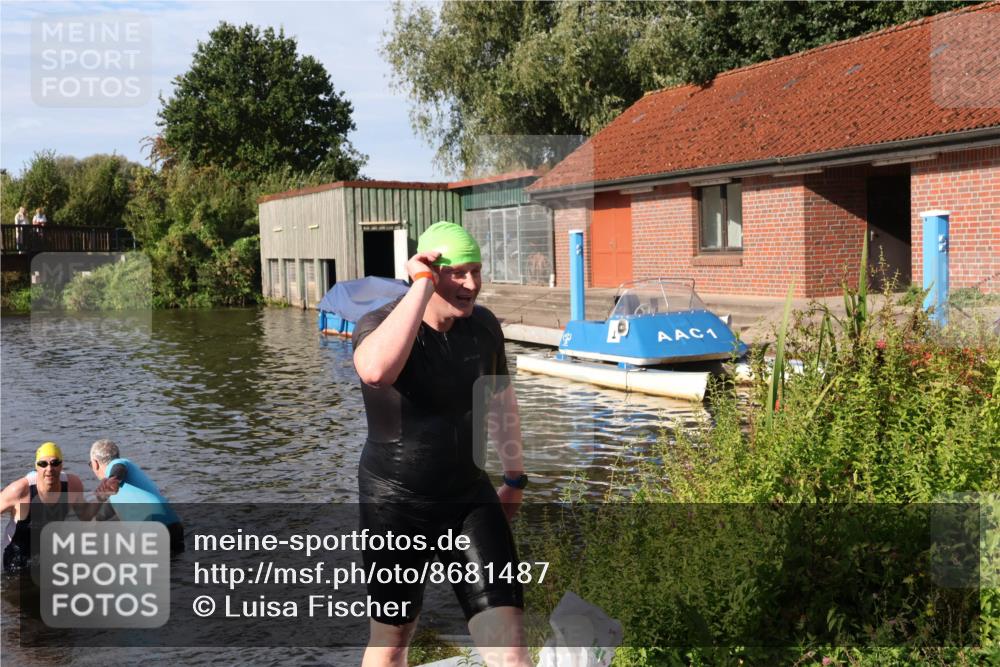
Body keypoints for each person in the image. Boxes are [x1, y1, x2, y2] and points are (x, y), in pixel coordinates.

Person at [352, 221, 531, 667]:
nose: (470, 284)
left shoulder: (485, 327)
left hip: (469, 497)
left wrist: (515, 477)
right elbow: (375, 372)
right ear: (431, 272)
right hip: (395, 503)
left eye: (477, 271)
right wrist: (420, 286)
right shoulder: (379, 325)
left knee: (510, 651)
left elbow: (502, 402)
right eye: (458, 273)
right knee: (392, 644)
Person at [1, 442, 99, 574]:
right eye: (43, 464)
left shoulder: (73, 486)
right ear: (36, 467)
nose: (49, 469)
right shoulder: (20, 491)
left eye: (54, 463)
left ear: (61, 465)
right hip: (18, 558)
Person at [88, 439, 184, 553]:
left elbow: (118, 468)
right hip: (175, 529)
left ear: (95, 463)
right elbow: (100, 517)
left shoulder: (118, 466)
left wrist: (113, 479)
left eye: (90, 465)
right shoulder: (121, 491)